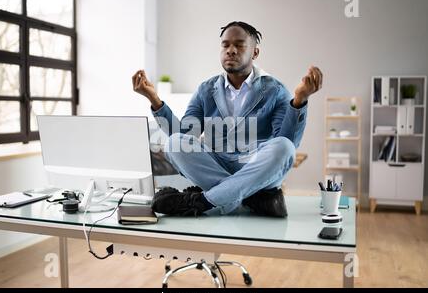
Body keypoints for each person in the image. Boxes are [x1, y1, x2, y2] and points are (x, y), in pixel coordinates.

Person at [132, 21, 322, 217]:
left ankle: (203, 201)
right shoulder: (206, 89)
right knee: (174, 143)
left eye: (239, 45)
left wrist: (300, 100)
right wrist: (154, 100)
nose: (231, 50)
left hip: (255, 166)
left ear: (255, 53)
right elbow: (186, 135)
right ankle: (253, 197)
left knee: (284, 147)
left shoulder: (275, 90)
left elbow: (287, 141)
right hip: (219, 164)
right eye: (225, 45)